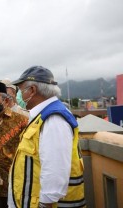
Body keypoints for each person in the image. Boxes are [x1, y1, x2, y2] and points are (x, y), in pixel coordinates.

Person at [8, 66, 85, 208]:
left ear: (32, 90)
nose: (18, 95)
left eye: (20, 90)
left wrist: (45, 204)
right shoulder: (42, 115)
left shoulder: (54, 118)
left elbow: (55, 170)